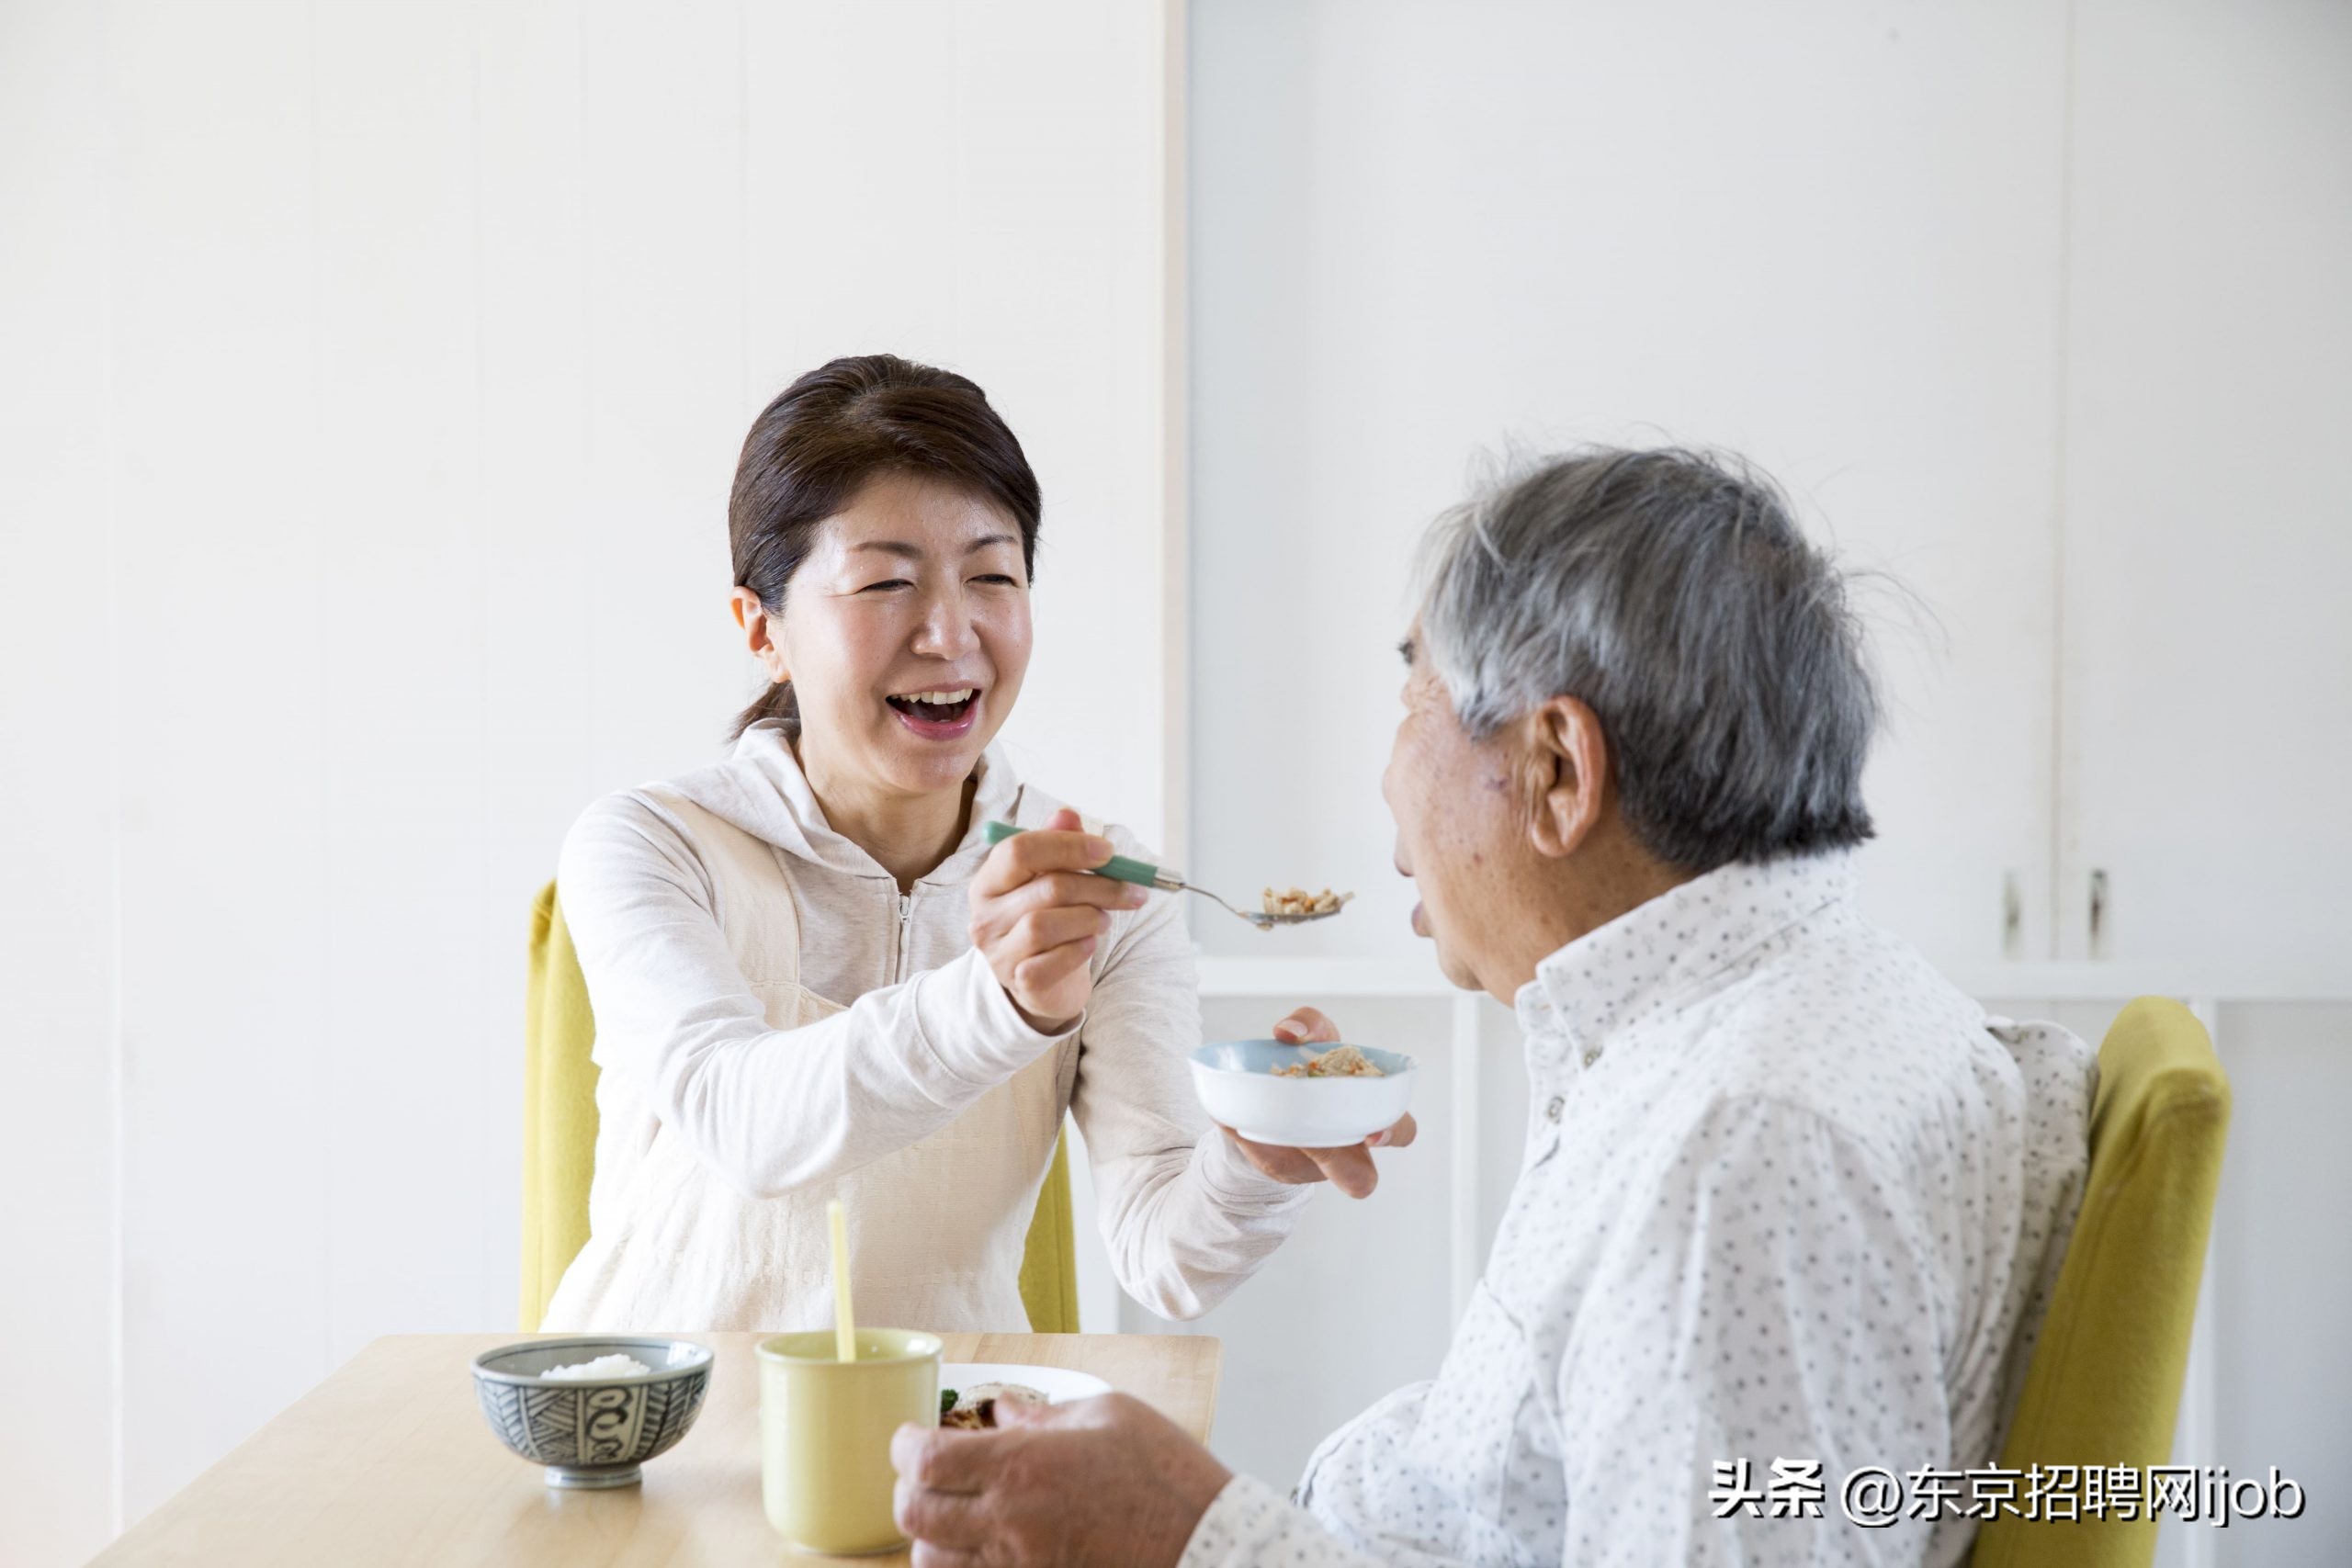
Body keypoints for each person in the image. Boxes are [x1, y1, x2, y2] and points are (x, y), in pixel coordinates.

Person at [890, 446, 2095, 1566]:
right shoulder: (1795, 1011)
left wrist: (1196, 1529)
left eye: (1413, 697)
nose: (1386, 779)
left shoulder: (1740, 1155)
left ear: (1557, 770)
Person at [540, 354, 1412, 1336]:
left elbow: (1164, 1257)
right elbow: (746, 1125)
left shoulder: (1104, 887)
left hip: (951, 1438)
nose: (950, 634)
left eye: (991, 575)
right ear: (763, 628)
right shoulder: (655, 845)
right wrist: (997, 1001)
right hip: (660, 1432)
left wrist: (1258, 1156)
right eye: (885, 584)